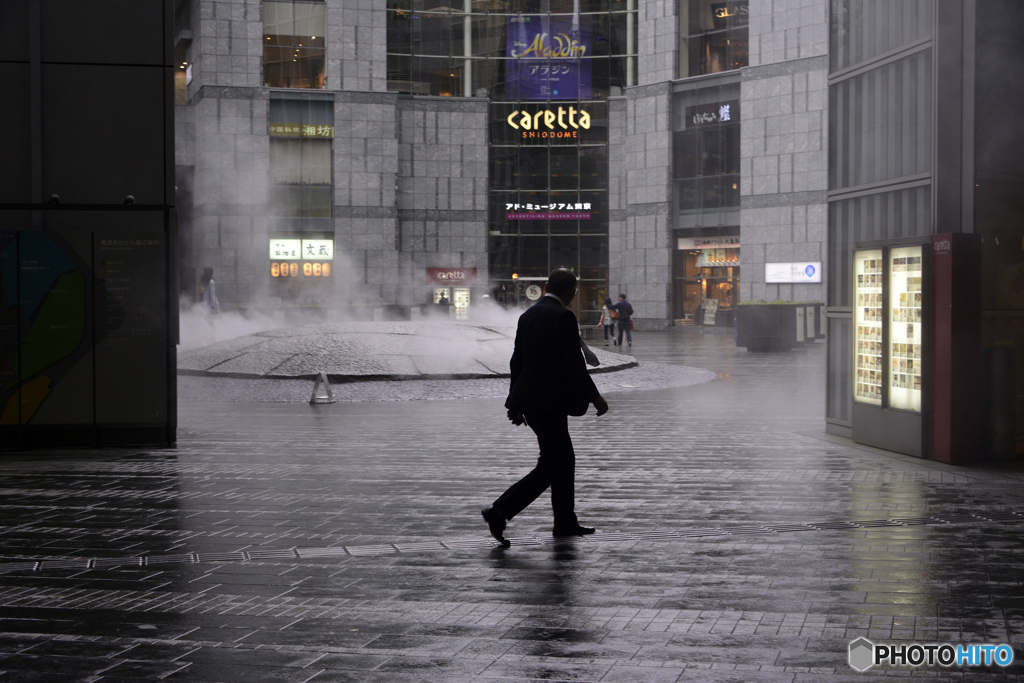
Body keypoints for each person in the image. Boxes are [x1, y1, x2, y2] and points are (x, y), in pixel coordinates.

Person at [482, 268, 610, 546]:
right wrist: (595, 397)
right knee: (553, 464)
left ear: (547, 286)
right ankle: (500, 511)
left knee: (563, 460)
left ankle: (564, 521)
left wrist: (515, 402)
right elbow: (573, 365)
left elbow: (517, 361)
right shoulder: (563, 316)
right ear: (571, 292)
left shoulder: (528, 315)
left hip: (532, 401)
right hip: (550, 402)